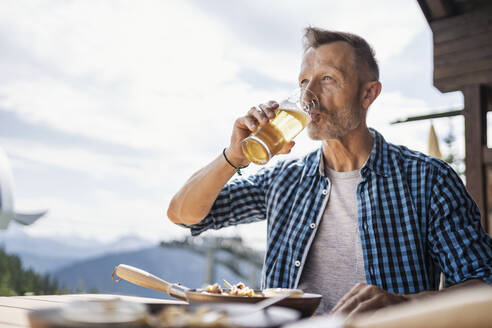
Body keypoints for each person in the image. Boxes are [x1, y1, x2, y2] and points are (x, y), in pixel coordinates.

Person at [167, 27, 492, 317]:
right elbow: (185, 214)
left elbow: (484, 284)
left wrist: (405, 304)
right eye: (303, 82)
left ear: (368, 93)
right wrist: (232, 157)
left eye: (327, 79)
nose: (309, 97)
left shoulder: (428, 180)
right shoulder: (285, 179)